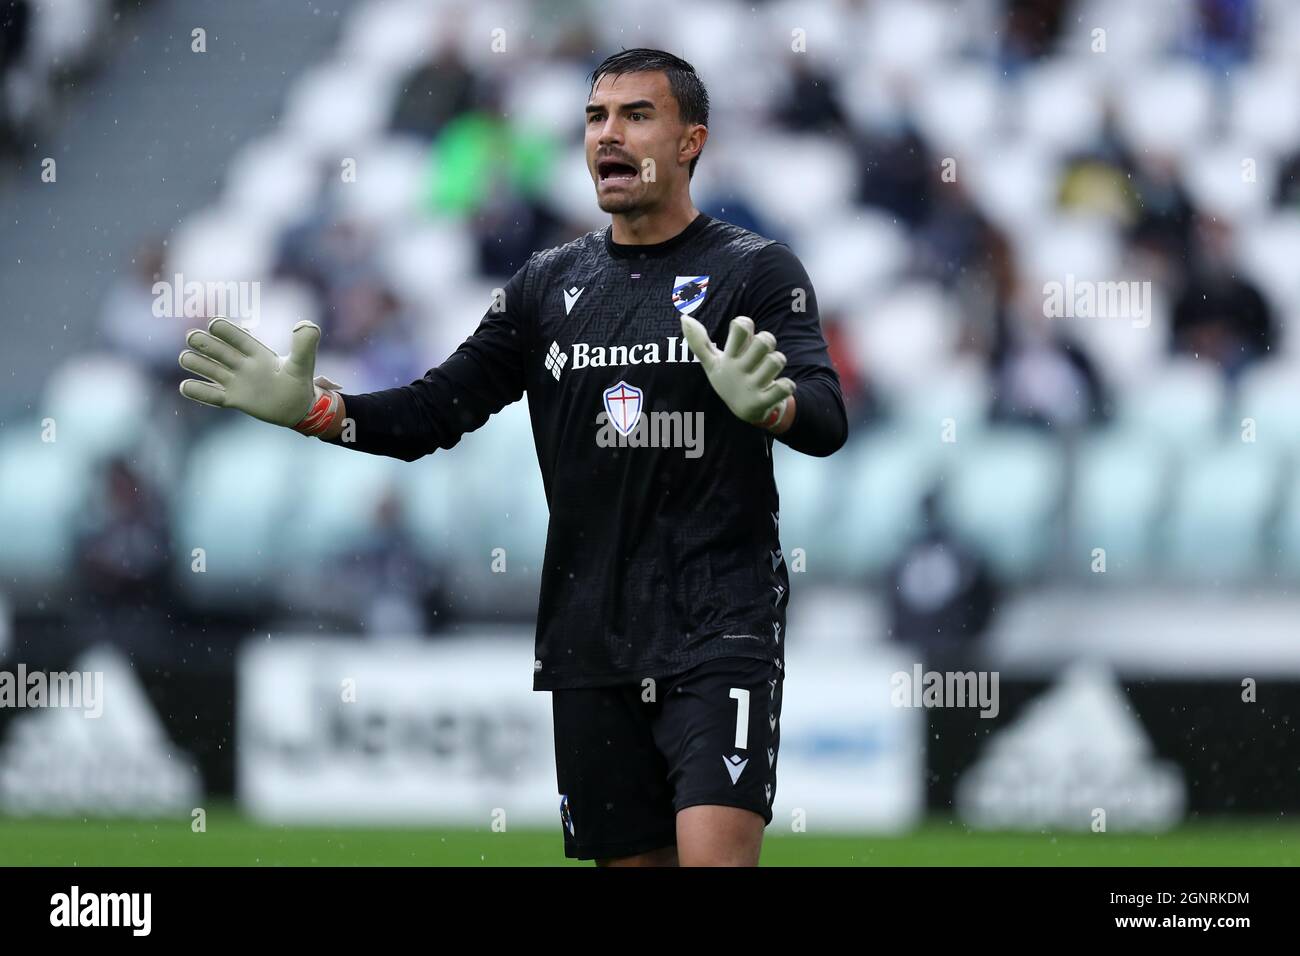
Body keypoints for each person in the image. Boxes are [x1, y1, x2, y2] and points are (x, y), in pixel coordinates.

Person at [177, 48, 848, 866]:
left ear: (690, 142)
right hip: (591, 634)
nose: (609, 134)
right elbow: (434, 411)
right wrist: (321, 410)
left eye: (638, 115)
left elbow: (827, 416)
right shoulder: (546, 285)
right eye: (596, 117)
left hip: (719, 623)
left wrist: (771, 405)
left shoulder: (753, 271)